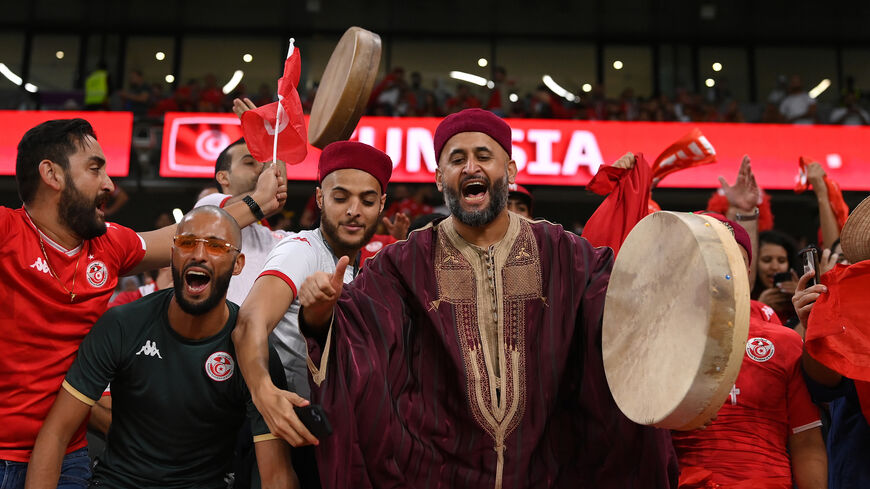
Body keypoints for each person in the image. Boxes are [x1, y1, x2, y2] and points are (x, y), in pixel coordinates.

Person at [276, 108, 678, 488]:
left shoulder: (566, 255)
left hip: (549, 468)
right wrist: (320, 315)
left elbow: (621, 320)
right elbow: (355, 334)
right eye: (456, 159)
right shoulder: (404, 263)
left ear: (511, 171)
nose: (470, 167)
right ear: (438, 178)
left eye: (483, 155)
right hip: (436, 472)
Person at [0, 118, 284, 488]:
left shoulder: (109, 245)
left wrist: (260, 201)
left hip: (65, 452)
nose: (109, 184)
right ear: (51, 174)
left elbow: (190, 236)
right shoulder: (7, 232)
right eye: (95, 168)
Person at [25, 206, 296, 489]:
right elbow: (56, 434)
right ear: (173, 254)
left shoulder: (254, 352)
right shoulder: (123, 324)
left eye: (216, 246)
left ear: (237, 264)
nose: (199, 254)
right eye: (187, 243)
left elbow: (276, 474)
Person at [671, 214, 827, 489]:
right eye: (713, 258)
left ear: (748, 271)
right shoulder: (656, 342)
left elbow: (806, 442)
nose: (725, 270)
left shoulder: (784, 341)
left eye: (736, 261)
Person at [234, 140, 392, 403]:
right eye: (340, 198)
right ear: (320, 198)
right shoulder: (301, 250)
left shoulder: (368, 267)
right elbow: (250, 322)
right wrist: (263, 390)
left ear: (382, 204)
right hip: (294, 422)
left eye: (367, 200)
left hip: (339, 425)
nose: (353, 211)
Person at [753, 230, 801, 327]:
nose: (775, 267)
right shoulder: (744, 297)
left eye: (781, 261)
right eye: (767, 260)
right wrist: (759, 307)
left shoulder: (798, 296)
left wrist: (801, 300)